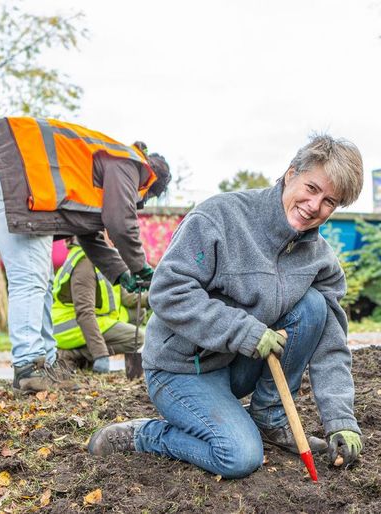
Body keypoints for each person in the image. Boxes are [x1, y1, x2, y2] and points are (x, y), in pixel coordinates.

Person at [88, 134, 365, 479]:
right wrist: (243, 331)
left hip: (235, 366)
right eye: (311, 188)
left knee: (313, 307)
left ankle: (270, 417)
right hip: (182, 368)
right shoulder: (220, 217)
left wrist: (341, 420)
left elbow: (331, 345)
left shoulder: (319, 260)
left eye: (329, 202)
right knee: (238, 456)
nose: (314, 205)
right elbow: (168, 291)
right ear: (291, 172)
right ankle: (145, 435)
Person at [0, 117, 171, 393]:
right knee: (30, 279)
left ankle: (45, 364)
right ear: (150, 183)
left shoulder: (103, 166)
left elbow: (88, 233)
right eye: (143, 199)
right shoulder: (129, 164)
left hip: (23, 176)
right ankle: (29, 366)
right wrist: (140, 267)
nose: (138, 204)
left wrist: (121, 274)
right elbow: (120, 221)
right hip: (20, 171)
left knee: (39, 281)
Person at [52, 238, 145, 373]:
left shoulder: (102, 258)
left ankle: (84, 357)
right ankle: (70, 355)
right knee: (136, 338)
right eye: (109, 231)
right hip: (68, 327)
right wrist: (100, 355)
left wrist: (155, 294)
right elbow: (84, 313)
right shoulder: (84, 263)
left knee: (137, 313)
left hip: (96, 318)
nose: (114, 238)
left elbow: (127, 298)